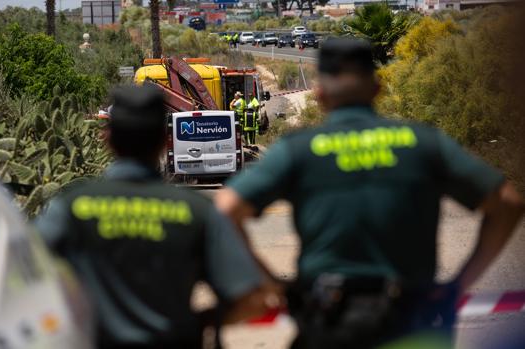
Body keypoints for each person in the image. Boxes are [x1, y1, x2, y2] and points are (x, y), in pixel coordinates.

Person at [215, 38, 525, 348]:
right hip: (414, 324)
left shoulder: (297, 151)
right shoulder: (424, 143)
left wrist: (274, 286)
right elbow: (508, 203)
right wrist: (460, 284)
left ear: (320, 95)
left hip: (330, 323)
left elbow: (225, 209)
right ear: (377, 88)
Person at [36, 85, 280, 349]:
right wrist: (199, 323)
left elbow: (21, 276)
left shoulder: (71, 208)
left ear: (107, 139)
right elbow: (253, 300)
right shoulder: (199, 212)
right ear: (165, 141)